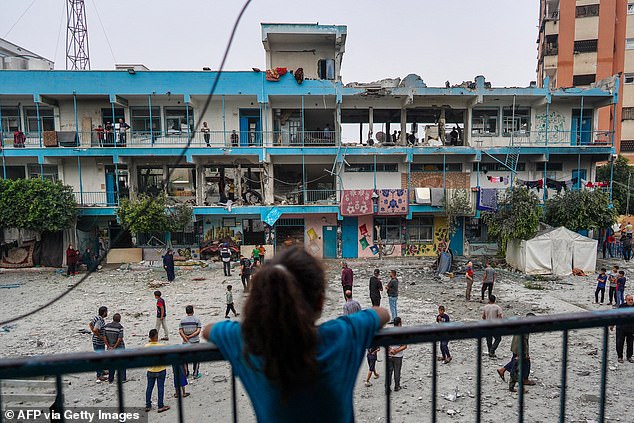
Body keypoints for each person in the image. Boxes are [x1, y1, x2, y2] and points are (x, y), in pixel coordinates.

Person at [202, 248, 390, 422]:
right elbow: (382, 314)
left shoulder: (248, 342)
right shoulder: (341, 334)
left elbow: (208, 330)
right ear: (320, 301)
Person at [508, 313, 536, 392]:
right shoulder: (526, 327)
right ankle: (521, 385)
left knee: (515, 367)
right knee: (517, 369)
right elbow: (525, 342)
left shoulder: (521, 323)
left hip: (515, 347)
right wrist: (525, 354)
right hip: (519, 350)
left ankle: (512, 386)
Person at [145, 329, 170, 413]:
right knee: (160, 387)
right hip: (160, 369)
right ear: (157, 336)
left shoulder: (146, 346)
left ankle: (148, 405)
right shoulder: (161, 346)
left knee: (149, 387)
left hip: (150, 369)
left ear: (149, 337)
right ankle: (160, 405)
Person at [179, 305, 202, 379]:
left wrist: (185, 338)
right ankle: (195, 374)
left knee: (185, 357)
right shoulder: (197, 319)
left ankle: (186, 373)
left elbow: (180, 331)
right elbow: (198, 331)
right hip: (195, 341)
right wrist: (191, 336)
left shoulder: (182, 320)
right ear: (193, 311)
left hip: (185, 342)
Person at [611, 294, 634, 363]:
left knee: (630, 344)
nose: (631, 301)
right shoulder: (622, 306)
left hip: (631, 328)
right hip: (621, 328)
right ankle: (620, 356)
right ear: (626, 300)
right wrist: (612, 324)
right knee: (619, 343)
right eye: (629, 300)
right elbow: (616, 315)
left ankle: (629, 356)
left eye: (632, 299)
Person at [104, 313, 126, 384]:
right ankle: (122, 378)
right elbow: (119, 339)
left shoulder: (106, 326)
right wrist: (114, 347)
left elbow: (104, 337)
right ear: (119, 319)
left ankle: (110, 379)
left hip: (110, 346)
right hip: (119, 347)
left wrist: (108, 346)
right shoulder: (120, 327)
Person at [386, 317, 407, 392]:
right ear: (399, 323)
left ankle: (387, 387)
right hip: (398, 356)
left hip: (389, 355)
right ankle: (397, 386)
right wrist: (396, 351)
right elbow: (404, 346)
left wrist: (391, 350)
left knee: (389, 372)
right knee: (397, 372)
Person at [89, 306, 108, 382]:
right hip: (98, 342)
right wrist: (99, 336)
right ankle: (99, 375)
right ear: (104, 313)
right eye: (106, 312)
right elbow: (95, 329)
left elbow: (90, 324)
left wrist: (94, 333)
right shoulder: (100, 320)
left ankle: (101, 371)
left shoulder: (96, 317)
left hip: (95, 341)